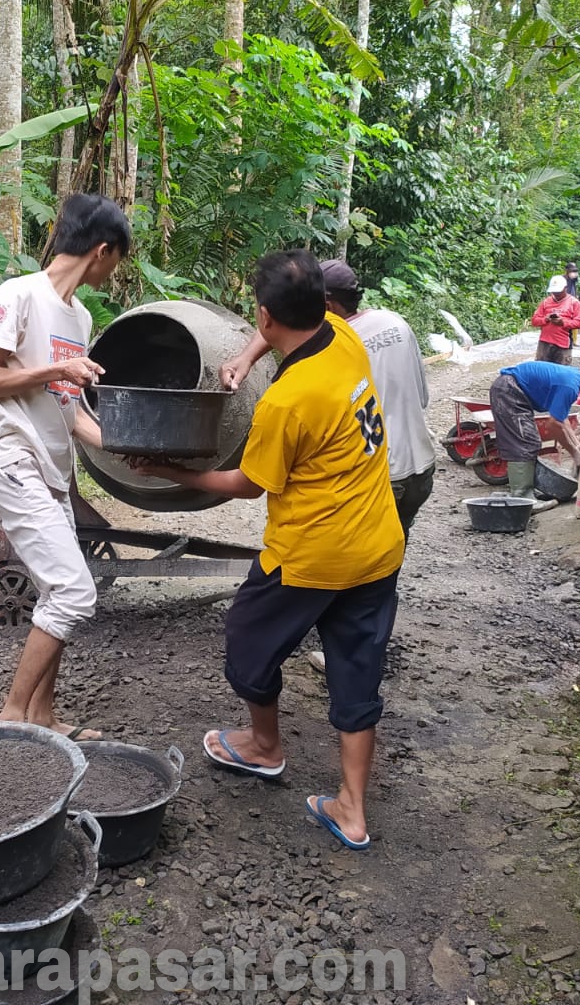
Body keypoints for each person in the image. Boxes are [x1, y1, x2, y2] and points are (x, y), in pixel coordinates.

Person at [135, 251, 404, 851]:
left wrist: (168, 469)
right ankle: (352, 810)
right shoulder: (345, 340)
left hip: (312, 556)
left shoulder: (285, 402)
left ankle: (262, 746)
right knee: (357, 673)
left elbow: (246, 483)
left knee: (248, 643)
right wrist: (248, 353)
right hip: (379, 546)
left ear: (264, 314)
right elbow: (287, 335)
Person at [0, 193, 131, 740]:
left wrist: (126, 449)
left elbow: (69, 409)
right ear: (102, 251)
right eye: (117, 260)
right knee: (75, 592)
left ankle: (43, 715)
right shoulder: (19, 295)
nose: (115, 271)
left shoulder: (79, 316)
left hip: (54, 468)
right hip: (11, 456)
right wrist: (55, 365)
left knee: (54, 590)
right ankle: (12, 716)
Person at [219, 258, 436, 542]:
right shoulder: (394, 323)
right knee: (387, 552)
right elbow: (422, 398)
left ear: (326, 307)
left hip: (377, 477)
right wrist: (246, 357)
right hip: (421, 467)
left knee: (352, 563)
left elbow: (252, 484)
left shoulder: (332, 347)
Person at [489, 358, 580, 504]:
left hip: (512, 388)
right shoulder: (570, 385)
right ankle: (522, 496)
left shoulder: (574, 377)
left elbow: (562, 419)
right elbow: (553, 425)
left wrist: (577, 445)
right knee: (525, 441)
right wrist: (574, 454)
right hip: (509, 390)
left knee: (528, 440)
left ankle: (527, 490)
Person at [529, 274, 580, 364]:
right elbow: (534, 321)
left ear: (565, 288)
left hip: (563, 344)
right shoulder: (546, 302)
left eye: (559, 291)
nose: (556, 294)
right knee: (542, 371)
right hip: (545, 343)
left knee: (561, 372)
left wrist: (563, 322)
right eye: (554, 291)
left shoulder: (574, 303)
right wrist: (545, 319)